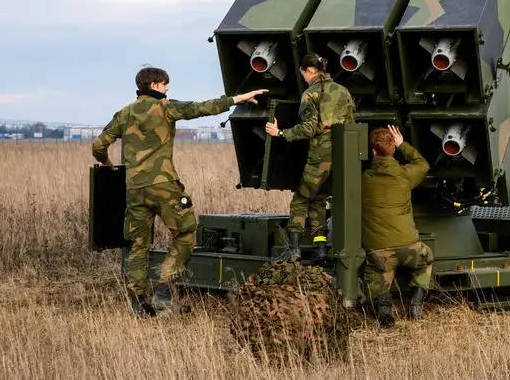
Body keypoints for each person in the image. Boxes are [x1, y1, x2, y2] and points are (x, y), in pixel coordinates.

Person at [91, 65, 267, 317]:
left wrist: (108, 164)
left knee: (138, 246)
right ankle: (165, 285)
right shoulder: (166, 107)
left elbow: (98, 145)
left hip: (135, 189)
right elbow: (202, 107)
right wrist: (238, 99)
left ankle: (139, 301)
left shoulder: (124, 113)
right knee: (185, 233)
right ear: (154, 85)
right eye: (164, 84)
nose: (167, 88)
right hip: (164, 186)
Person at [264, 53, 355, 262]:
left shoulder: (310, 94)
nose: (304, 77)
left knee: (301, 199)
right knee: (319, 199)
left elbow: (308, 128)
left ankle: (294, 249)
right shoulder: (343, 91)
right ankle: (320, 248)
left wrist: (280, 133)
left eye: (303, 73)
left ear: (310, 71)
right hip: (343, 157)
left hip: (320, 158)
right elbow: (351, 123)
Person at [360, 124, 434, 327]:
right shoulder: (405, 174)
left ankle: (384, 308)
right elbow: (422, 164)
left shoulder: (363, 179)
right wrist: (403, 145)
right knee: (426, 258)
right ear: (393, 148)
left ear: (373, 151)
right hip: (410, 248)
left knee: (375, 274)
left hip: (380, 252)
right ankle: (416, 303)